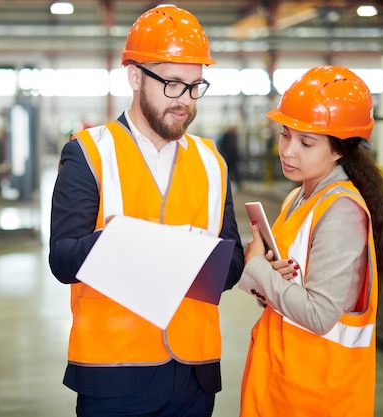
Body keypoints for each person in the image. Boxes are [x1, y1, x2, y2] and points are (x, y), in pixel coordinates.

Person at [48, 5, 244, 417]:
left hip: (195, 374)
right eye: (173, 84)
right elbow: (63, 259)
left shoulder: (213, 161)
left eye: (195, 86)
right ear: (135, 76)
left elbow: (232, 262)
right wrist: (124, 243)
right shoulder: (88, 151)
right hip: (114, 374)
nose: (186, 101)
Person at [239, 65, 383, 417]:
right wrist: (268, 275)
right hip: (282, 378)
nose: (288, 151)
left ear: (340, 150)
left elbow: (319, 314)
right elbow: (290, 281)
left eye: (306, 142)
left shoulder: (341, 211)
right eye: (285, 135)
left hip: (316, 395)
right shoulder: (298, 197)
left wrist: (257, 268)